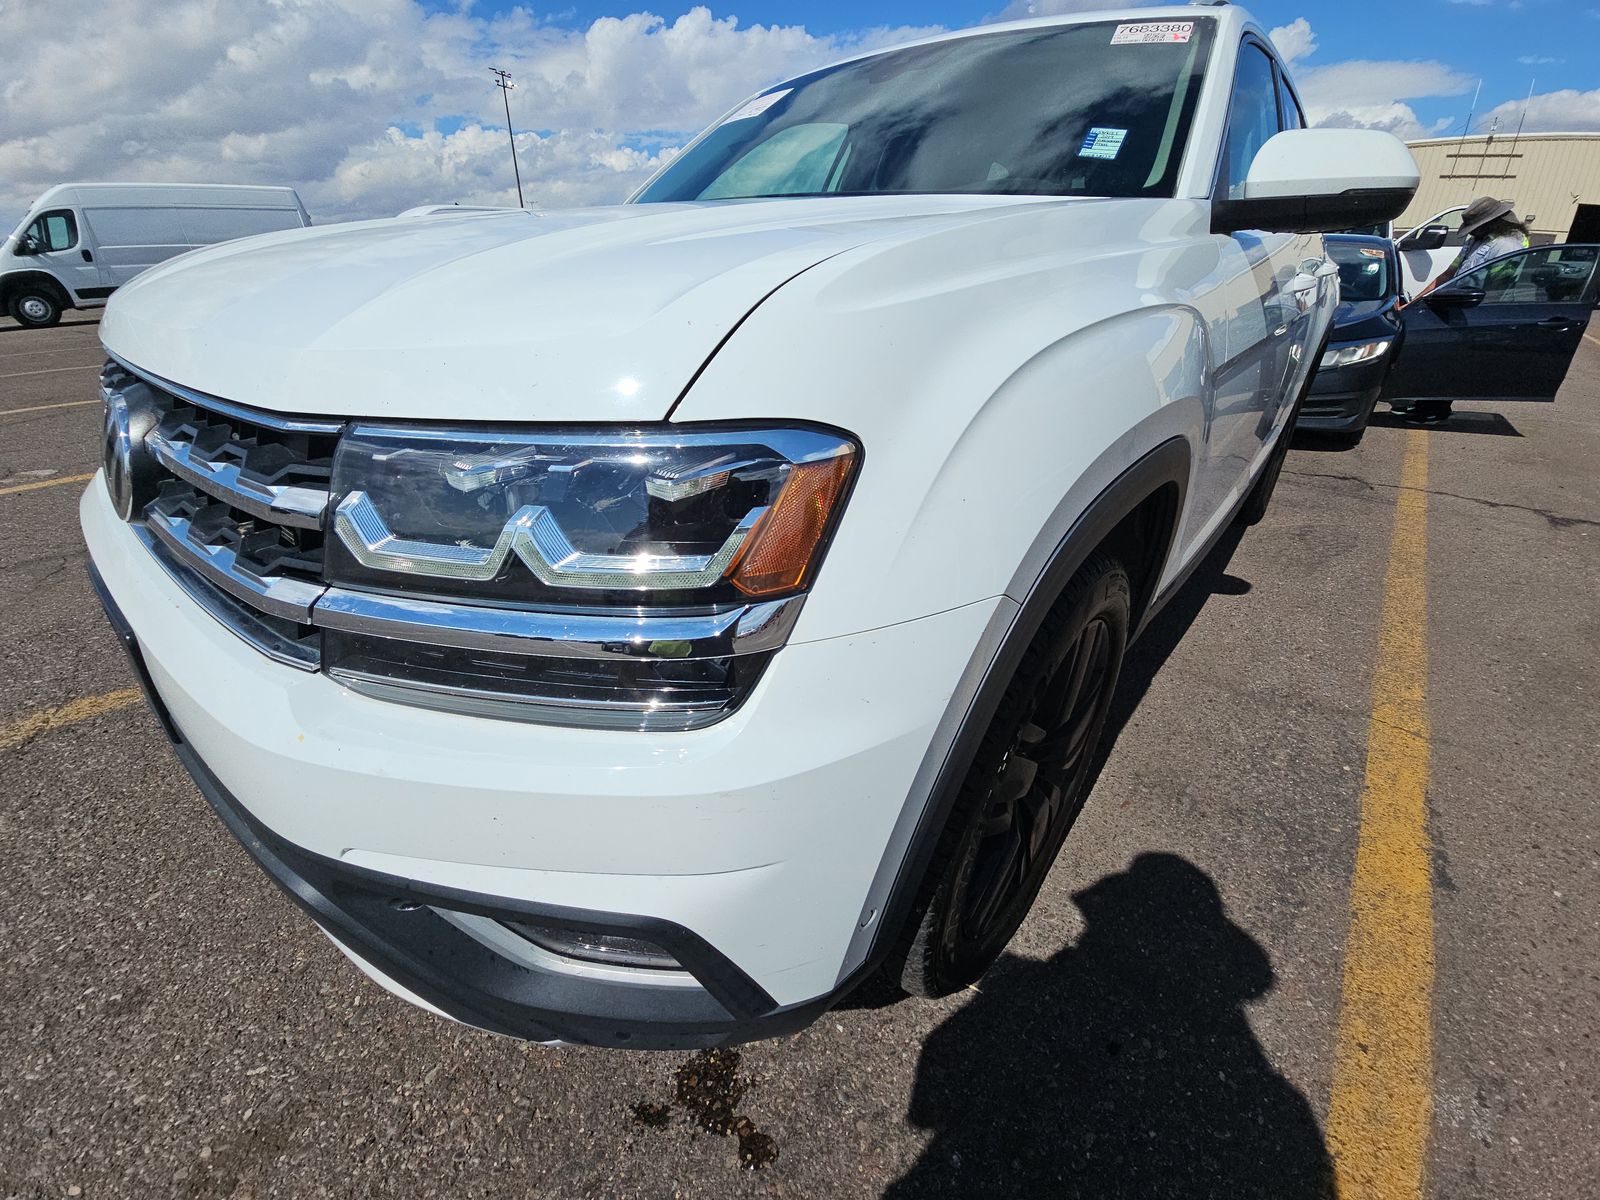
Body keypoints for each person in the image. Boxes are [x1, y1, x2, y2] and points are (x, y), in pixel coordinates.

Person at [1394, 196, 1531, 423]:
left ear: (1491, 222)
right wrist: (1415, 302)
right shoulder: (1477, 240)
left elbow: (1496, 289)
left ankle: (1435, 409)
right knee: (1433, 356)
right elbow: (1448, 274)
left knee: (1449, 362)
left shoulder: (1506, 246)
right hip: (1454, 304)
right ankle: (1421, 402)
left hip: (1474, 309)